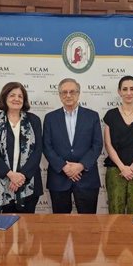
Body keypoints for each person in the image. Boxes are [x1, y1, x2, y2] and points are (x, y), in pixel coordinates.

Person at [43, 78, 102, 214]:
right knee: (60, 225)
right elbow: (47, 146)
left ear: (78, 93)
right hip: (59, 178)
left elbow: (97, 145)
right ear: (59, 95)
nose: (68, 95)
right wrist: (64, 166)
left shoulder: (92, 116)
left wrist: (81, 166)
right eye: (64, 92)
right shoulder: (50, 118)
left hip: (86, 178)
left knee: (87, 225)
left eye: (72, 91)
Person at [0, 82, 43, 213]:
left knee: (27, 229)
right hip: (1, 183)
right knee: (4, 228)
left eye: (20, 96)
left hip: (29, 183)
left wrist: (21, 176)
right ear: (5, 97)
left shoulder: (34, 120)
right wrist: (10, 175)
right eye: (12, 95)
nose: (16, 99)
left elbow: (38, 151)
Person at [102, 76, 133, 214]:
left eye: (132, 89)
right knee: (115, 211)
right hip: (115, 170)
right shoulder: (111, 115)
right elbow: (108, 144)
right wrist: (122, 167)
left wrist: (132, 166)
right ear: (119, 92)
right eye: (125, 89)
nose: (129, 92)